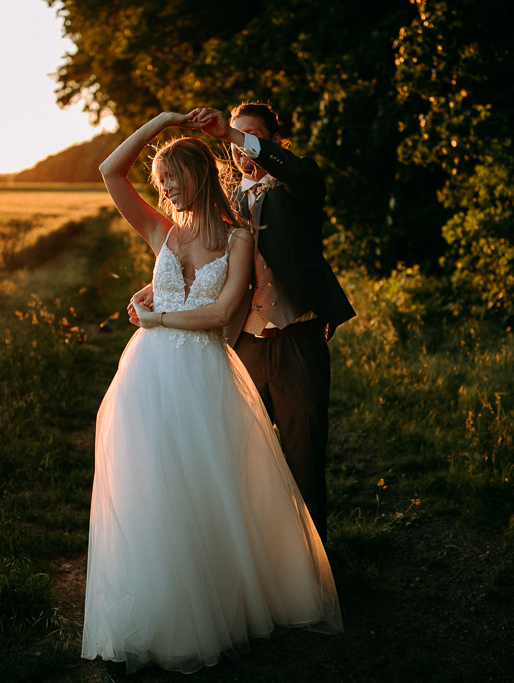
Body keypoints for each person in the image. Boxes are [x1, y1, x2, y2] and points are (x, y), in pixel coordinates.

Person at [83, 111, 342, 674]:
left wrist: (158, 320)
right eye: (160, 180)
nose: (167, 187)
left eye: (174, 176)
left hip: (239, 354)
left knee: (240, 476)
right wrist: (164, 122)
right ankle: (162, 608)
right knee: (159, 488)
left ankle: (268, 587)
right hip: (158, 372)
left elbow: (224, 304)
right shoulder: (172, 225)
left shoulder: (262, 211)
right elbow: (112, 172)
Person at [131, 102, 356, 542]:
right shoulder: (229, 205)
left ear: (274, 140)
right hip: (244, 344)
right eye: (234, 137)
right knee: (239, 458)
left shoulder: (299, 185)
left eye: (249, 135)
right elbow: (201, 260)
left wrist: (229, 134)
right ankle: (260, 566)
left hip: (298, 339)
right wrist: (155, 288)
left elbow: (292, 172)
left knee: (302, 460)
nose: (237, 146)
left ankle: (314, 574)